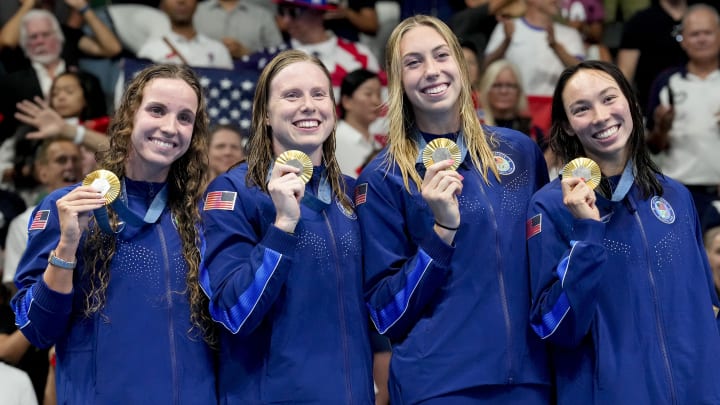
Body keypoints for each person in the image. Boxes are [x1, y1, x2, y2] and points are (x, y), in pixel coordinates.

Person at [356, 15, 550, 403]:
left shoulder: (520, 152)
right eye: (413, 63)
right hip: (441, 384)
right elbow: (385, 312)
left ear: (461, 65)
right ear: (397, 82)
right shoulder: (384, 175)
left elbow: (545, 266)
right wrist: (441, 233)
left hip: (530, 379)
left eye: (441, 55)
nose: (431, 71)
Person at [11, 63, 218, 403]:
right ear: (129, 115)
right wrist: (66, 247)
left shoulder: (200, 215)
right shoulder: (69, 206)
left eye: (185, 117)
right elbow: (35, 328)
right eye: (157, 110)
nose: (170, 127)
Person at [527, 60, 720, 403]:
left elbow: (707, 307)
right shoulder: (552, 206)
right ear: (569, 126)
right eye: (581, 109)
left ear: (630, 102)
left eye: (608, 98)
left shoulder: (675, 196)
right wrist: (587, 231)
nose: (601, 116)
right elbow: (553, 327)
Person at [200, 49, 374, 403]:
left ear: (333, 107)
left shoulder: (352, 193)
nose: (308, 105)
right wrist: (282, 226)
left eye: (318, 94)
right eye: (291, 95)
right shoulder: (235, 191)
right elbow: (233, 313)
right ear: (265, 114)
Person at [645, 4, 720, 220]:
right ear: (683, 40)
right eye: (695, 34)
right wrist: (662, 128)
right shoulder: (667, 82)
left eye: (708, 32)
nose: (702, 39)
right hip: (679, 191)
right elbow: (653, 147)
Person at [335, 68, 384, 177]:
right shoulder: (332, 141)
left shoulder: (378, 146)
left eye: (379, 95)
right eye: (368, 94)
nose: (376, 101)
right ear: (347, 101)